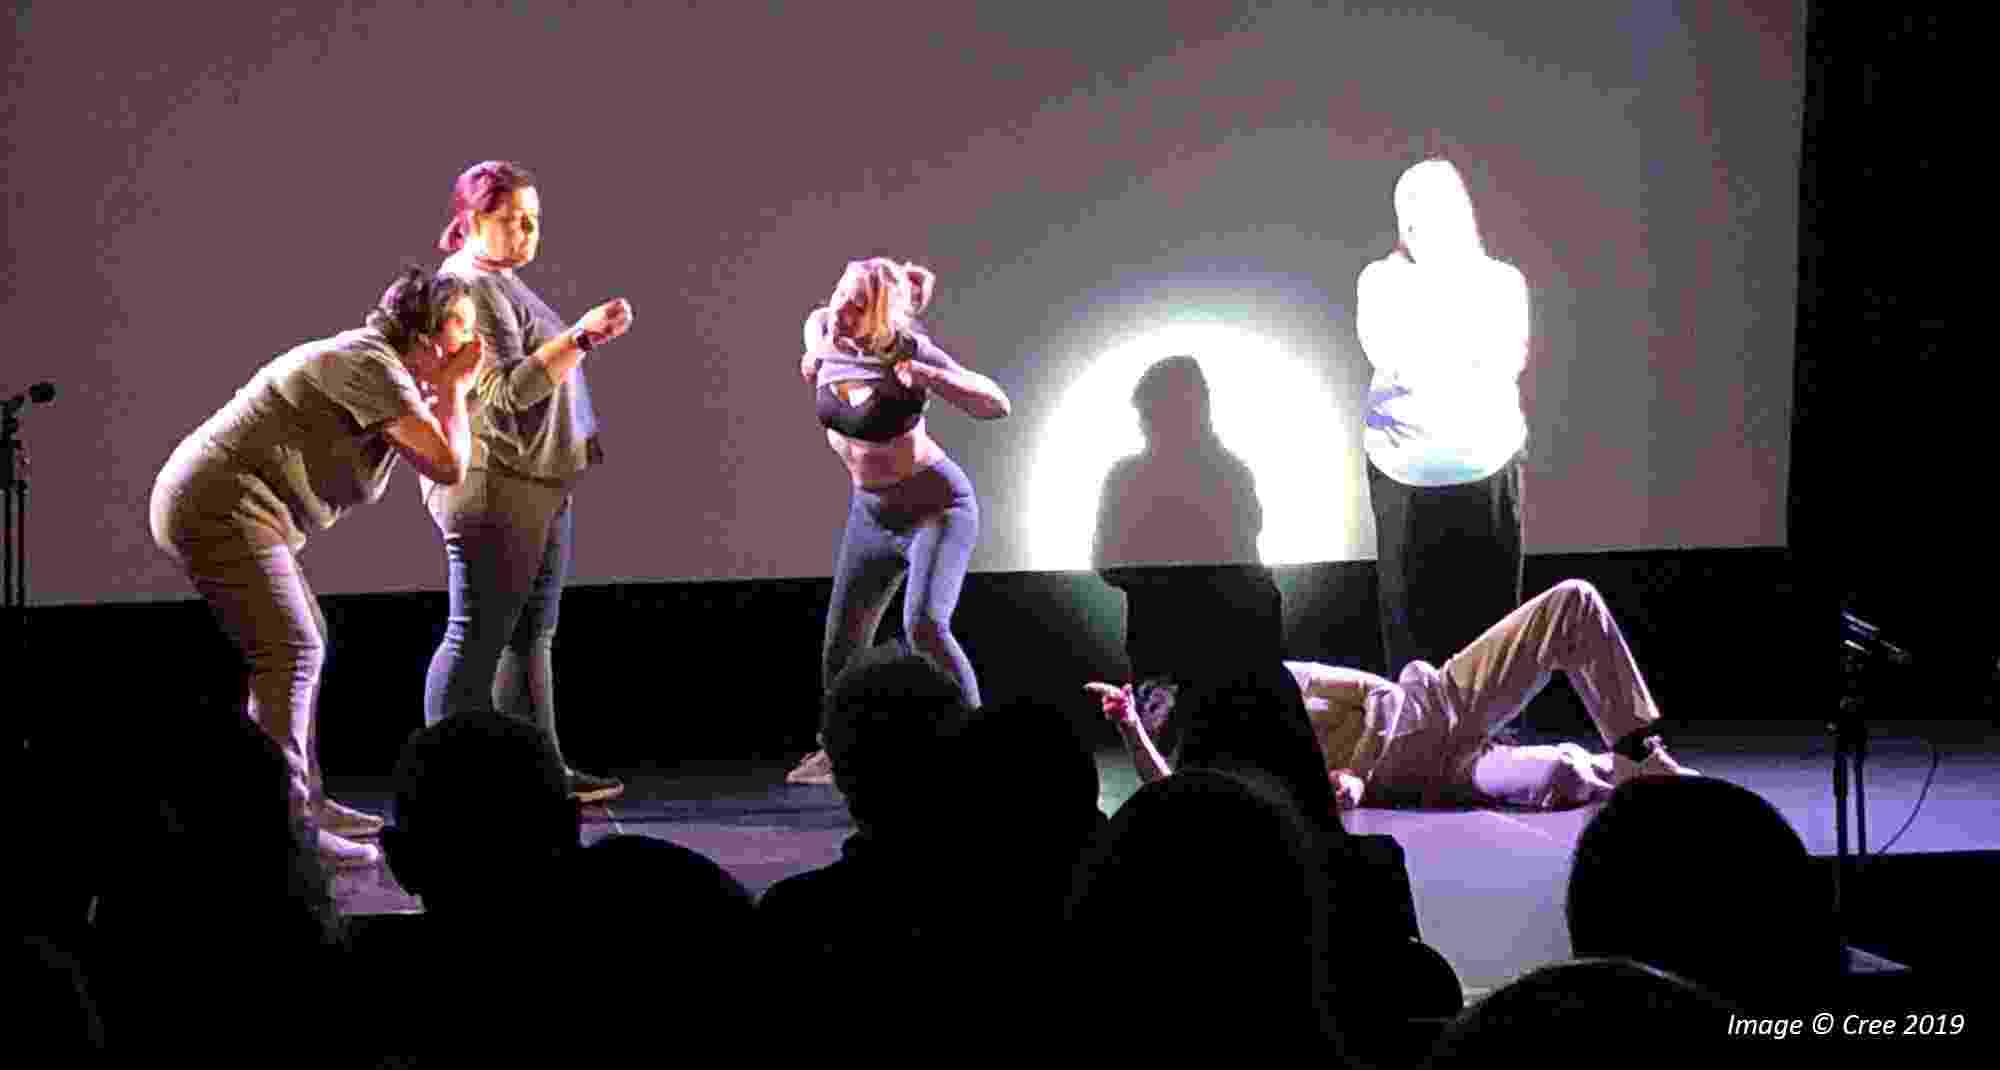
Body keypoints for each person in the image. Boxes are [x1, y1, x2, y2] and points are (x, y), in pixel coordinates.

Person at [149, 267, 482, 866]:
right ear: (431, 336)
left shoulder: (380, 366)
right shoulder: (371, 365)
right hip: (219, 505)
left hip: (235, 507)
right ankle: (287, 831)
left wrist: (441, 388)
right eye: (465, 329)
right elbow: (446, 463)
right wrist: (454, 390)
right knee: (291, 650)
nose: (473, 346)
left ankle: (309, 805)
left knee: (307, 641)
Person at [1092, 579, 1697, 811]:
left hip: (1439, 703)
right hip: (1443, 772)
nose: (1152, 703)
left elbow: (1379, 696)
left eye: (1153, 695)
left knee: (1574, 602)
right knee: (1561, 777)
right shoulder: (1220, 748)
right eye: (1146, 706)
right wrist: (1129, 728)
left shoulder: (1273, 680)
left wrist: (1355, 771)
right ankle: (1602, 768)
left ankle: (1639, 753)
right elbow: (1176, 796)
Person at [422, 160, 634, 803]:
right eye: (512, 220)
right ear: (470, 222)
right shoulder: (466, 289)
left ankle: (541, 775)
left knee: (529, 632)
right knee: (477, 631)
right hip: (498, 484)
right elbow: (508, 391)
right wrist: (582, 337)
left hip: (537, 482)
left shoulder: (499, 282)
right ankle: (447, 782)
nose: (527, 232)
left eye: (534, 221)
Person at [787, 258, 1011, 785]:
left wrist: (930, 377)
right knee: (843, 641)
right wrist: (809, 357)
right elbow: (814, 341)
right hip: (870, 513)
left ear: (882, 316)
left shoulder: (907, 352)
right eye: (841, 295)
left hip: (936, 507)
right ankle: (836, 751)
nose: (842, 309)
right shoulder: (822, 328)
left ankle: (980, 746)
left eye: (858, 305)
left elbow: (995, 403)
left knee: (924, 626)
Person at [1358, 158, 1530, 677]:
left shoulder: (1385, 281)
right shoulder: (1498, 282)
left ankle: (1429, 731)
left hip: (1450, 460)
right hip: (1430, 463)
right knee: (1478, 616)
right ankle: (1479, 733)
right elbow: (1502, 362)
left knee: (1421, 619)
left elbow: (1392, 356)